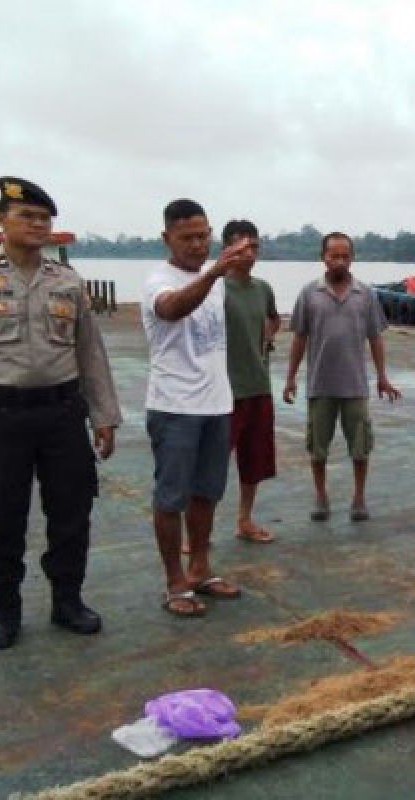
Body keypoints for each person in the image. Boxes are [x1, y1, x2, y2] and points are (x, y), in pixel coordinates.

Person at [0, 177, 121, 649]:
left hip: (62, 412)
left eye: (44, 219)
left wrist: (104, 415)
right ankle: (5, 609)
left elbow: (90, 353)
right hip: (1, 416)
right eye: (27, 217)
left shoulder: (68, 282)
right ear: (1, 220)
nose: (37, 225)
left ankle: (67, 601)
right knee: (4, 514)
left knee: (72, 511)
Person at [143, 199, 255, 617]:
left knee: (206, 492)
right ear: (167, 238)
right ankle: (175, 582)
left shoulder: (219, 279)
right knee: (171, 497)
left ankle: (200, 569)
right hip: (174, 405)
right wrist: (214, 272)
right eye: (187, 237)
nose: (196, 244)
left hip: (216, 403)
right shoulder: (158, 280)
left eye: (202, 235)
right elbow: (172, 309)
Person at [283, 232, 400, 521]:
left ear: (353, 258)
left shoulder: (365, 295)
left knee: (360, 446)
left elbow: (375, 338)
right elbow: (299, 338)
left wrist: (382, 377)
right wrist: (290, 378)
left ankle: (358, 498)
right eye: (333, 255)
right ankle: (321, 497)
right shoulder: (309, 293)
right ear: (323, 257)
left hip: (355, 386)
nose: (339, 261)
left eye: (345, 256)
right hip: (320, 385)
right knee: (317, 447)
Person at [221, 219, 281, 544]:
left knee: (254, 461)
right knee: (212, 464)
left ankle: (245, 519)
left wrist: (266, 340)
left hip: (258, 385)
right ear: (227, 248)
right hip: (223, 391)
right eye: (242, 248)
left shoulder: (263, 289)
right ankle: (195, 530)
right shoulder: (215, 289)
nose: (249, 255)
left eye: (254, 247)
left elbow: (274, 318)